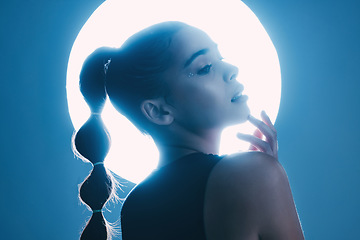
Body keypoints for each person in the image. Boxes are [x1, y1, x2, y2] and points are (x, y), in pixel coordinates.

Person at [74, 21, 304, 240]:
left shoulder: (135, 205)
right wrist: (265, 179)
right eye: (205, 68)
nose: (232, 69)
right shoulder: (253, 173)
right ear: (158, 111)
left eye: (220, 57)